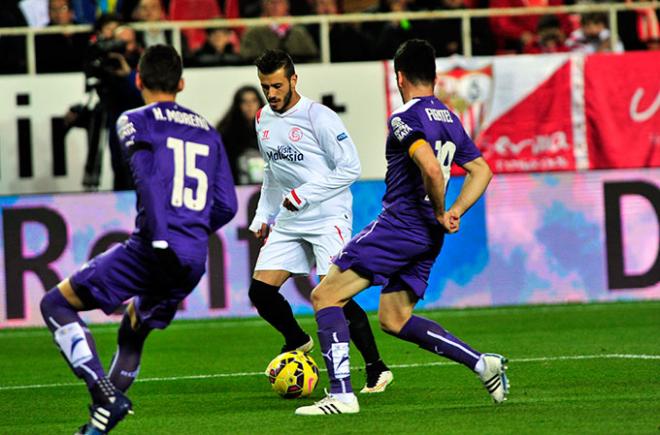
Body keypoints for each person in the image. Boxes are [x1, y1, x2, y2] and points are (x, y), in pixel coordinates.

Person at [295, 39, 508, 416]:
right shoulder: (448, 117)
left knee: (325, 296)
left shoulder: (403, 118)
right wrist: (453, 211)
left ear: (400, 77)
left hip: (401, 225)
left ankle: (342, 395)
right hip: (429, 235)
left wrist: (444, 208)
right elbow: (482, 170)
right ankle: (482, 364)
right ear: (435, 76)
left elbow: (428, 167)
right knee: (394, 318)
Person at [39, 44, 238, 434]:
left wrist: (162, 236)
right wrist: (191, 229)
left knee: (55, 304)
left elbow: (146, 178)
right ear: (181, 83)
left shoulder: (135, 120)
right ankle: (97, 428)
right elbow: (227, 205)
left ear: (138, 80)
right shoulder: (209, 131)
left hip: (152, 246)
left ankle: (105, 393)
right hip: (194, 257)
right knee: (132, 333)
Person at [249, 49, 393, 393]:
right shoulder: (262, 119)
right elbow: (273, 171)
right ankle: (297, 340)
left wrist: (305, 194)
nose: (271, 94)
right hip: (289, 217)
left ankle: (376, 368)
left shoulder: (319, 117)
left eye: (278, 85)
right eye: (265, 86)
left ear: (294, 80)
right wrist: (262, 215)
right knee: (261, 292)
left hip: (328, 214)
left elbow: (350, 168)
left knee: (334, 293)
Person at [240, 0, 319, 63]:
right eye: (272, 2)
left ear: (287, 5)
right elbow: (247, 58)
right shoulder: (254, 31)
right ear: (264, 5)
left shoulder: (299, 31)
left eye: (280, 2)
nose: (275, 6)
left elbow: (313, 57)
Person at [216, 85, 265, 184]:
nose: (249, 105)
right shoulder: (227, 135)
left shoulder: (272, 130)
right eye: (244, 101)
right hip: (239, 190)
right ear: (238, 105)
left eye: (254, 101)